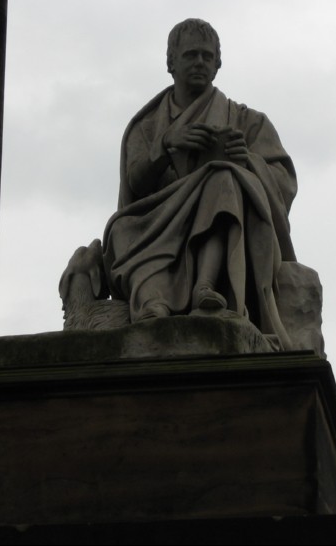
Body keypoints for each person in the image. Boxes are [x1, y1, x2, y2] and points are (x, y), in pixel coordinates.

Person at [103, 19, 298, 349]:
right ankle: (153, 303)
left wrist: (246, 161)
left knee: (222, 178)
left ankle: (206, 288)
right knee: (121, 231)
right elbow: (135, 185)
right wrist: (164, 146)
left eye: (207, 57)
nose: (200, 63)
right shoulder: (145, 124)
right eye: (191, 55)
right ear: (171, 62)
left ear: (218, 64)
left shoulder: (248, 121)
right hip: (156, 222)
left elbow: (283, 182)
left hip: (219, 216)